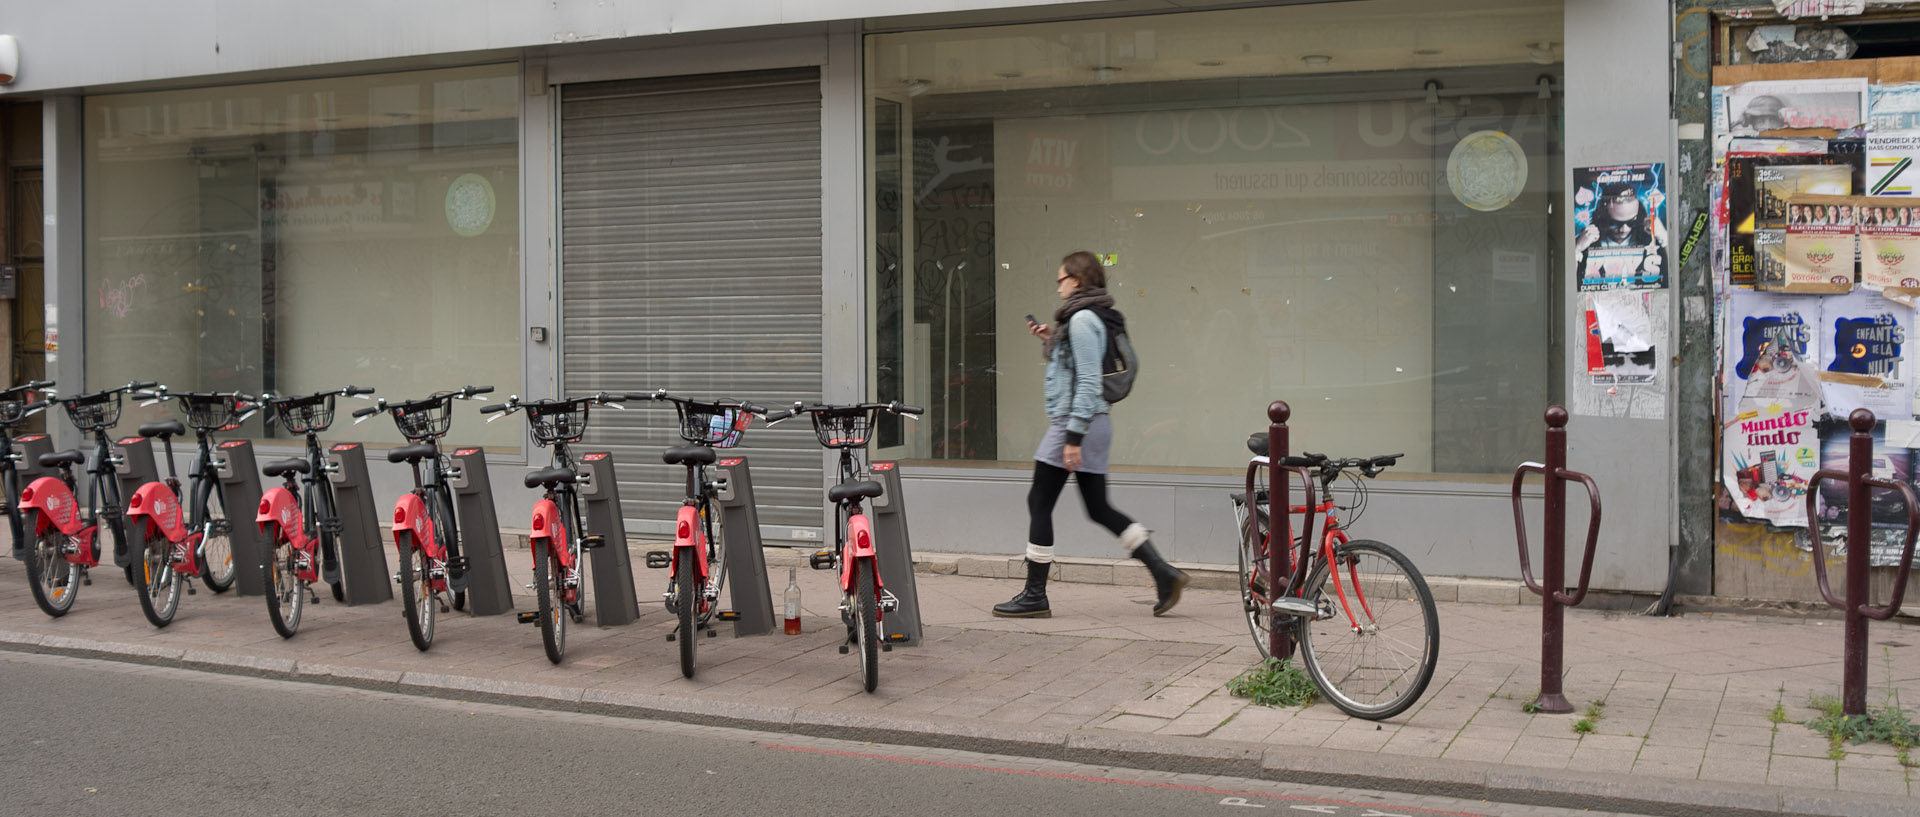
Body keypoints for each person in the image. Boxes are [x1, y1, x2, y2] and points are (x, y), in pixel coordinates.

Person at [992, 251, 1188, 618]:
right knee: (1098, 508)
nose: (1059, 285)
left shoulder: (1081, 319)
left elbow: (1086, 383)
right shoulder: (1090, 317)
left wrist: (1072, 437)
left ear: (1078, 280)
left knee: (1039, 502)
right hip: (1094, 422)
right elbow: (1082, 368)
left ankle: (1035, 594)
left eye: (1061, 278)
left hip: (1076, 422)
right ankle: (1162, 572)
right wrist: (1052, 338)